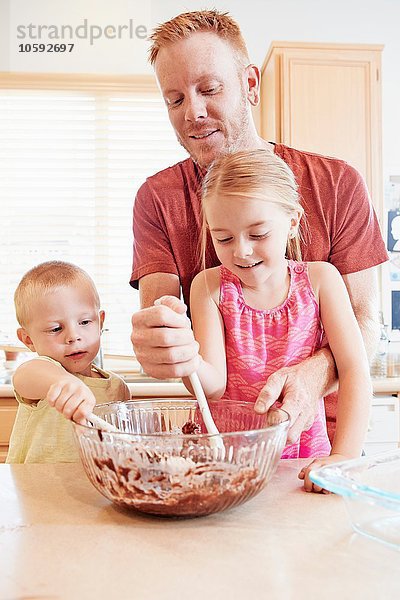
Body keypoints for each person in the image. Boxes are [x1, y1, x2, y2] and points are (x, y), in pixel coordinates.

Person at [130, 10, 387, 444]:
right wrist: (163, 342)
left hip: (321, 445)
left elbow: (365, 325)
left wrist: (313, 376)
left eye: (209, 89)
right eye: (174, 100)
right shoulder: (158, 198)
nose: (192, 112)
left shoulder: (337, 183)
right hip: (229, 447)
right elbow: (172, 334)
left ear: (250, 84)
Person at [183, 149, 371, 491]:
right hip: (226, 463)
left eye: (258, 234)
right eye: (223, 238)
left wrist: (344, 455)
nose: (241, 251)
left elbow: (355, 369)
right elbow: (214, 385)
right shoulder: (208, 287)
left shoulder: (320, 280)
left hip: (302, 463)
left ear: (293, 222)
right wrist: (183, 356)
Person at [6, 261, 130, 464]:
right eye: (56, 329)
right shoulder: (42, 373)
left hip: (94, 493)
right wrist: (63, 382)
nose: (73, 336)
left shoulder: (118, 388)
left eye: (84, 322)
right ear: (28, 339)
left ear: (101, 322)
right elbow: (25, 375)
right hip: (35, 492)